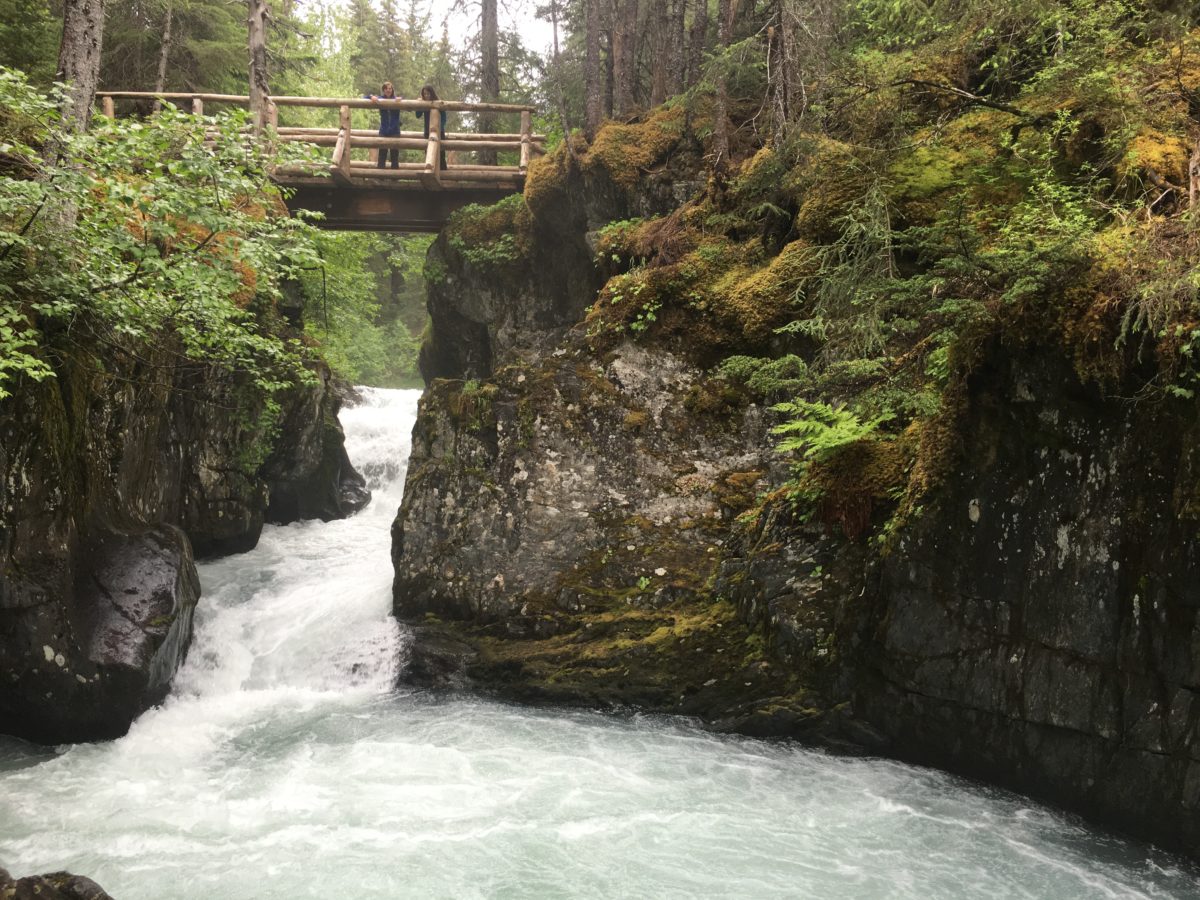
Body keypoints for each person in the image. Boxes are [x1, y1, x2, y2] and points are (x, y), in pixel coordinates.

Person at [367, 82, 402, 169]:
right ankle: (380, 176)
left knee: (394, 154)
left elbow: (406, 102)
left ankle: (395, 177)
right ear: (383, 90)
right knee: (382, 154)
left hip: (395, 130)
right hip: (384, 130)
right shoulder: (380, 99)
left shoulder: (397, 99)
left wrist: (400, 100)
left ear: (392, 89)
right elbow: (365, 97)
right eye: (386, 89)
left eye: (390, 88)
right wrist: (372, 97)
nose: (388, 90)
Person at [415, 85, 449, 171]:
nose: (426, 96)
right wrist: (419, 104)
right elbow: (418, 115)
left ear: (432, 93)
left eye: (428, 94)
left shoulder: (438, 102)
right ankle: (430, 172)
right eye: (425, 94)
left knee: (441, 153)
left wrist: (439, 128)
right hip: (427, 131)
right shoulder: (424, 103)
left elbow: (444, 118)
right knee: (428, 153)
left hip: (439, 132)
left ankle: (443, 173)